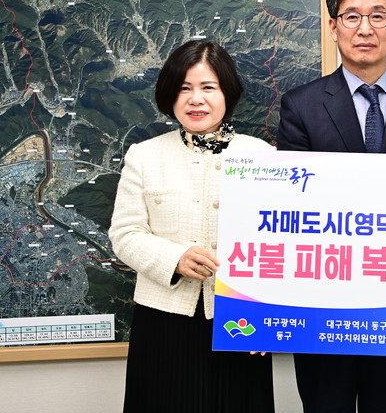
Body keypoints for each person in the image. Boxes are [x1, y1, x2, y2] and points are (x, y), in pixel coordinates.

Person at [277, 0, 386, 412]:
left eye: (377, 16)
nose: (365, 28)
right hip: (322, 303)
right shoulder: (301, 105)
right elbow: (291, 202)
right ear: (334, 27)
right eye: (352, 16)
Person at [109, 40, 275, 412]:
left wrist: (269, 317)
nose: (195, 99)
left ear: (227, 92)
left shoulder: (262, 156)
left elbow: (279, 240)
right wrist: (175, 259)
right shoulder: (144, 156)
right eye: (184, 88)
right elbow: (124, 233)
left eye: (207, 87)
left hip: (240, 318)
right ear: (170, 94)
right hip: (163, 320)